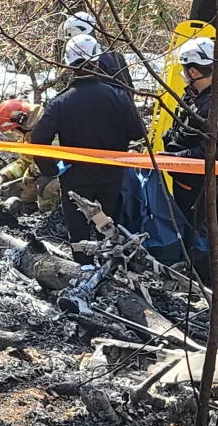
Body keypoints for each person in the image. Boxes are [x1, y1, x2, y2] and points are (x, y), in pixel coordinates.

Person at [31, 34, 146, 264]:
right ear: (97, 62)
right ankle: (108, 268)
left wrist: (51, 169)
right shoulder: (118, 96)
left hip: (76, 178)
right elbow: (137, 132)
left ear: (69, 66)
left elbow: (39, 138)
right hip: (112, 176)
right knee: (108, 225)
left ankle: (82, 269)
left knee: (78, 231)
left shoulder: (61, 102)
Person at [162, 37, 218, 250]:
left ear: (193, 72)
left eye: (185, 71)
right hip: (184, 179)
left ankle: (202, 277)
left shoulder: (215, 107)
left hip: (196, 187)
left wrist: (173, 159)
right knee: (185, 231)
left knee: (196, 235)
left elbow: (209, 153)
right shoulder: (196, 98)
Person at [0, 99, 59, 213]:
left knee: (45, 186)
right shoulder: (27, 133)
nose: (14, 133)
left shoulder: (50, 127)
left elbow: (53, 159)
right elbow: (25, 162)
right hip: (38, 173)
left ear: (20, 122)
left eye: (13, 130)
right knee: (11, 192)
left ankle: (50, 215)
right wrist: (5, 175)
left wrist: (30, 174)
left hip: (64, 172)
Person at [58, 11, 133, 90]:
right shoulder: (115, 55)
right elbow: (129, 88)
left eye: (69, 34)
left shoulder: (83, 61)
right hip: (119, 100)